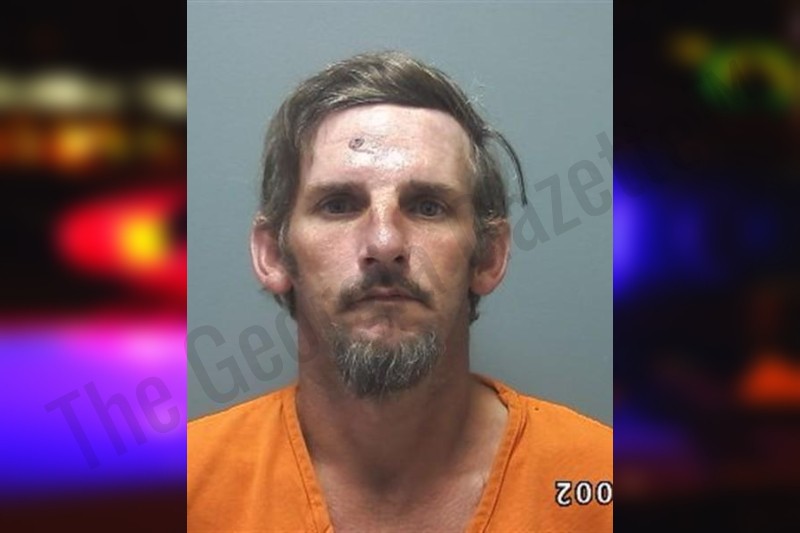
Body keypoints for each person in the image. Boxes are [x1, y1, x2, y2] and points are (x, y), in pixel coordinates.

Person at [188, 51, 612, 532]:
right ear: (273, 255)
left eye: (428, 206)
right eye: (339, 205)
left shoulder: (600, 483)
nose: (385, 243)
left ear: (489, 256)